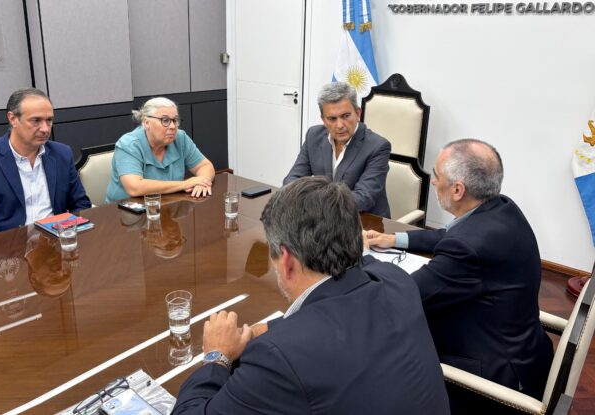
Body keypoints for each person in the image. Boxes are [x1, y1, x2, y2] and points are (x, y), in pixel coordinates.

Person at [172, 177, 450, 414]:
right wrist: (261, 330)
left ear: (287, 261)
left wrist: (217, 356)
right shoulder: (397, 280)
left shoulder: (278, 360)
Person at [364, 139, 553, 414]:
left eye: (436, 176)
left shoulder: (468, 248)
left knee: (383, 349)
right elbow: (450, 235)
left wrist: (361, 258)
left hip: (492, 378)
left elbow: (407, 294)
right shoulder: (501, 207)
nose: (432, 181)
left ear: (457, 190)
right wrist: (393, 239)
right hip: (524, 352)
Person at [0, 88, 91, 241]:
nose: (45, 129)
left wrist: (67, 235)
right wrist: (10, 251)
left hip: (57, 243)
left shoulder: (62, 154)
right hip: (9, 248)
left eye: (49, 120)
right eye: (36, 120)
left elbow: (80, 204)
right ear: (13, 119)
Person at [283, 82, 391, 217]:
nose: (339, 125)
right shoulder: (313, 136)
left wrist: (313, 201)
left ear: (358, 113)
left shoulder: (378, 146)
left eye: (345, 116)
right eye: (332, 119)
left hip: (364, 222)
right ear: (323, 120)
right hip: (324, 219)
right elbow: (292, 180)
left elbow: (362, 198)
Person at [105, 97, 215, 203]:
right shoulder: (128, 144)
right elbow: (134, 188)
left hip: (167, 205)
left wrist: (202, 182)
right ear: (146, 123)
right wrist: (185, 184)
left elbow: (204, 166)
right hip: (125, 211)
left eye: (175, 120)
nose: (172, 126)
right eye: (165, 120)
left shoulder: (180, 138)